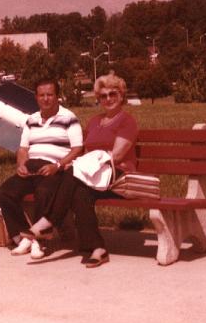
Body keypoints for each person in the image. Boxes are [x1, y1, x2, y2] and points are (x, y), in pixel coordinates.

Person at [19, 71, 138, 268]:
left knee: (72, 174)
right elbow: (85, 151)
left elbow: (115, 156)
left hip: (118, 176)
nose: (108, 99)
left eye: (113, 94)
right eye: (103, 96)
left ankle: (48, 221)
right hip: (92, 177)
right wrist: (78, 165)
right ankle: (98, 249)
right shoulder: (94, 122)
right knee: (80, 194)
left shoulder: (127, 121)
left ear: (121, 96)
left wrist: (80, 166)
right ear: (98, 99)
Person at [0, 78, 83, 259]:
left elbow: (77, 148)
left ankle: (38, 242)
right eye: (42, 95)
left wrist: (57, 166)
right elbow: (23, 149)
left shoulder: (69, 118)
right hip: (31, 167)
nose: (46, 99)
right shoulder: (31, 120)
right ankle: (23, 237)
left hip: (54, 169)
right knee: (3, 193)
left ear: (58, 96)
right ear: (36, 97)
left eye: (50, 95)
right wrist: (21, 165)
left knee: (43, 192)